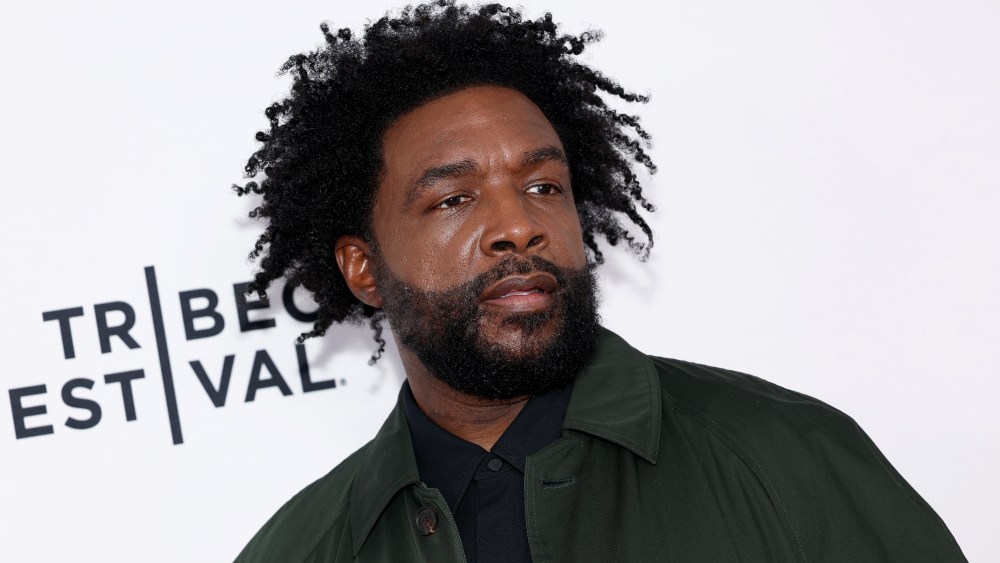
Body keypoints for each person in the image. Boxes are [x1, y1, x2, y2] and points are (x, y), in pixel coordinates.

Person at [233, 2, 966, 561]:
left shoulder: (785, 457)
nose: (518, 225)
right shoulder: (299, 548)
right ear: (363, 267)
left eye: (544, 186)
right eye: (454, 199)